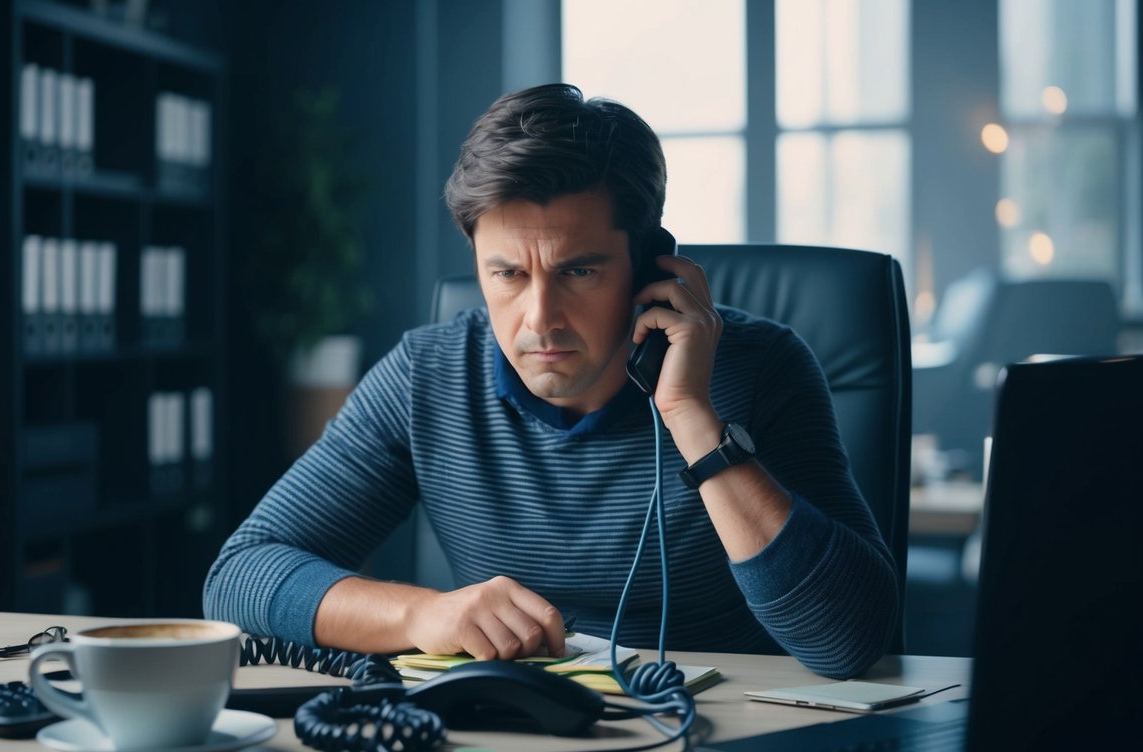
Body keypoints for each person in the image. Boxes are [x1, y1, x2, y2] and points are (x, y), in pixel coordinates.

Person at [204, 83, 898, 679]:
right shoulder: (428, 375)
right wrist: (426, 613)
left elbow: (846, 644)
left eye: (578, 270)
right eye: (506, 274)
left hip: (727, 747)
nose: (539, 320)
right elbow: (237, 578)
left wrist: (689, 413)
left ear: (651, 266)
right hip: (512, 742)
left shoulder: (762, 367)